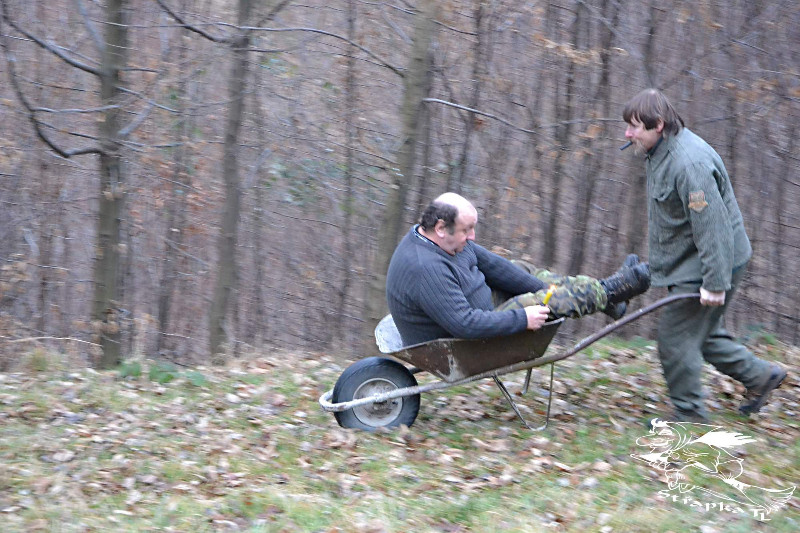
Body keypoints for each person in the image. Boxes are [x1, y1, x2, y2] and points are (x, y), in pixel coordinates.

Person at [622, 88, 787, 421]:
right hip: (698, 259)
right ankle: (761, 377)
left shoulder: (690, 165)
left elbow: (713, 229)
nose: (627, 133)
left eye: (635, 126)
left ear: (658, 125)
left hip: (713, 261)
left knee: (674, 338)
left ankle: (690, 417)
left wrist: (714, 283)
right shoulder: (660, 151)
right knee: (703, 334)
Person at [385, 192, 650, 347]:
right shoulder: (425, 269)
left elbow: (493, 265)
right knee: (543, 302)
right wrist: (523, 319)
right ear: (441, 227)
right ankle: (613, 290)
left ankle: (606, 298)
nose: (473, 236)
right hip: (463, 338)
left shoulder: (447, 241)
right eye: (467, 230)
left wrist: (547, 287)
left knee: (524, 270)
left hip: (482, 306)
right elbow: (465, 324)